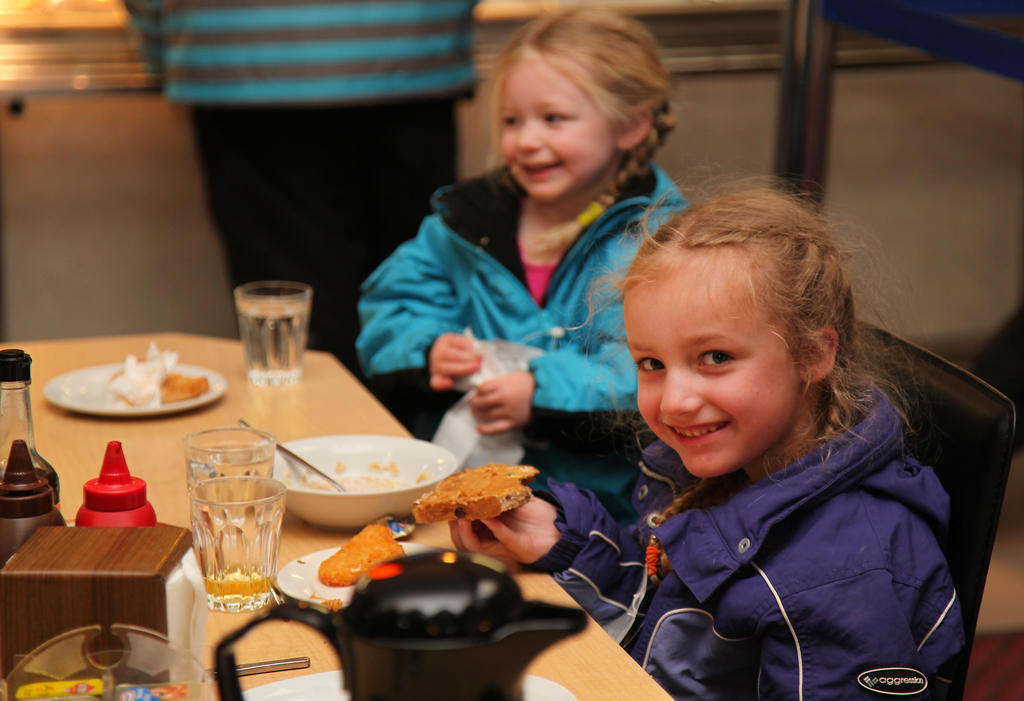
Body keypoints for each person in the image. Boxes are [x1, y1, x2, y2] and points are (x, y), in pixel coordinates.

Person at [449, 187, 965, 699]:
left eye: (715, 357)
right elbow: (664, 609)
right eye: (651, 363)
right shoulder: (720, 465)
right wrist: (563, 543)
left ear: (813, 354)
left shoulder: (844, 572)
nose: (674, 401)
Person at [356, 7, 686, 523]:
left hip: (601, 518)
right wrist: (429, 349)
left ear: (631, 125)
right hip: (458, 501)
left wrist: (540, 389)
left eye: (553, 118)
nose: (527, 140)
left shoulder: (662, 241)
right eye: (512, 121)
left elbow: (663, 368)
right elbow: (392, 306)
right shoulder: (462, 224)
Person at [121, 0, 479, 374]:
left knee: (297, 325)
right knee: (411, 299)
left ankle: (321, 426)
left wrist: (167, 45)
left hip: (244, 54)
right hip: (415, 46)